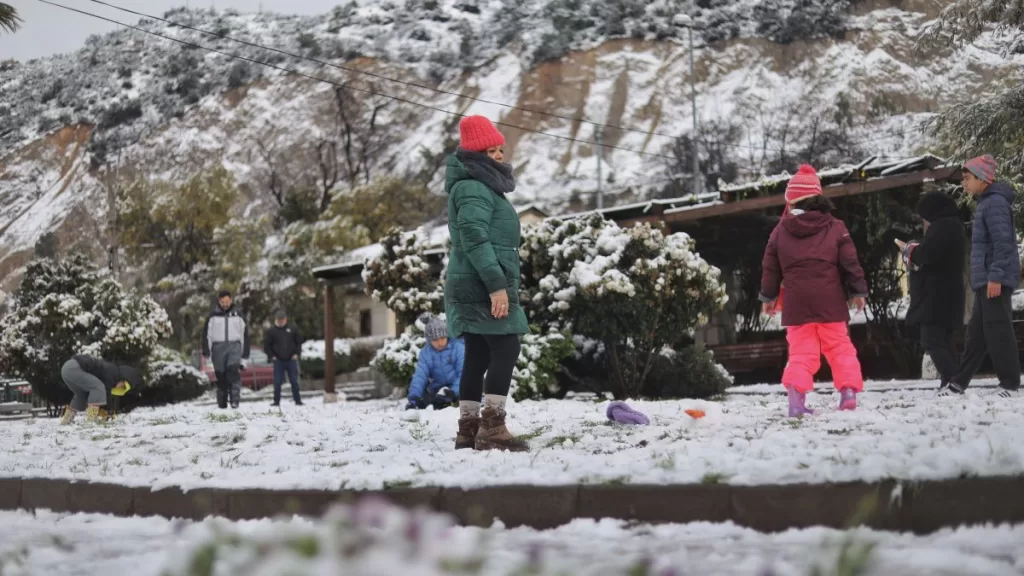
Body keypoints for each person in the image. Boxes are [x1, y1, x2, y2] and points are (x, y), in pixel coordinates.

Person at [444, 115, 529, 451]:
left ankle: (468, 430)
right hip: (480, 282)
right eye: (490, 150)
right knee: (507, 347)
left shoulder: (479, 185)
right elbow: (475, 238)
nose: (499, 155)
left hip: (474, 280)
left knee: (478, 353)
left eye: (499, 149)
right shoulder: (473, 187)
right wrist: (496, 286)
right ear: (475, 154)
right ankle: (492, 428)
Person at [760, 164, 869, 417]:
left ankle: (796, 402)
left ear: (791, 199)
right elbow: (850, 263)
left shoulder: (780, 231)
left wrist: (768, 296)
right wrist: (858, 292)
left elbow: (770, 267)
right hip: (830, 300)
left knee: (801, 352)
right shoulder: (836, 226)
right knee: (839, 346)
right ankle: (848, 392)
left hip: (797, 303)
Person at [939, 155, 1021, 398]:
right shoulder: (986, 203)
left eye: (967, 178)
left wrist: (995, 277)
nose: (963, 183)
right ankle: (958, 383)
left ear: (983, 178)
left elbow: (1003, 243)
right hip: (986, 280)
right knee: (977, 334)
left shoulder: (994, 203)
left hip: (994, 280)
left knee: (998, 331)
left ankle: (1010, 384)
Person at [897, 192, 967, 393]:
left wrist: (909, 249)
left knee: (931, 339)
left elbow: (929, 254)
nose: (924, 221)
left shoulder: (942, 227)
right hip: (948, 293)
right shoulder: (953, 225)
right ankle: (950, 381)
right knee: (944, 340)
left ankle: (953, 380)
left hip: (937, 295)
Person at [60, 354, 143, 424]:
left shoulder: (110, 373)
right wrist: (108, 411)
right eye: (123, 386)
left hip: (67, 369)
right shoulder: (111, 372)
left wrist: (107, 411)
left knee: (82, 395)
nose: (121, 388)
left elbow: (107, 394)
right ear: (123, 378)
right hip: (74, 368)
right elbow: (106, 392)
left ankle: (67, 421)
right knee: (98, 387)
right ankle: (91, 421)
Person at [202, 290, 250, 409]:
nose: (225, 304)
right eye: (222, 302)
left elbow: (244, 335)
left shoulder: (238, 315)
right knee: (221, 375)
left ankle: (235, 400)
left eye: (227, 301)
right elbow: (207, 335)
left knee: (232, 371)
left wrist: (244, 356)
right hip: (218, 348)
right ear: (219, 301)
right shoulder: (213, 316)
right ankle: (222, 402)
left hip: (234, 346)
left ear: (231, 300)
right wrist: (207, 352)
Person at [405, 315, 464, 411]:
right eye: (435, 340)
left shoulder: (458, 348)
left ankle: (452, 401)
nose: (440, 342)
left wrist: (453, 391)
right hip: (437, 390)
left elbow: (463, 374)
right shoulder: (426, 353)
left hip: (458, 388)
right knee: (426, 399)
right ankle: (415, 403)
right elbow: (420, 376)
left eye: (442, 338)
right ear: (429, 340)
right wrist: (414, 397)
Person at [264, 309, 304, 406]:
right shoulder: (271, 331)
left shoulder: (293, 329)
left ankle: (298, 400)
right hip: (278, 360)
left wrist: (297, 353)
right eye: (279, 320)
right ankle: (276, 401)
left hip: (291, 359)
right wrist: (272, 356)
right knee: (277, 382)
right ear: (276, 320)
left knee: (294, 381)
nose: (281, 321)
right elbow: (267, 346)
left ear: (286, 319)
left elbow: (298, 342)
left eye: (283, 319)